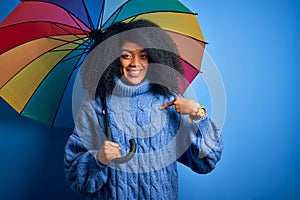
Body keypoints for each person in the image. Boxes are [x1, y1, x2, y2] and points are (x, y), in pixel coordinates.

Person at [64, 19, 223, 199]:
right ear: (114, 59)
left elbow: (206, 162)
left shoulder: (169, 100)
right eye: (126, 55)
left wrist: (198, 114)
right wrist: (99, 158)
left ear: (154, 58)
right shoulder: (95, 106)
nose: (135, 63)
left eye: (143, 55)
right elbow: (77, 179)